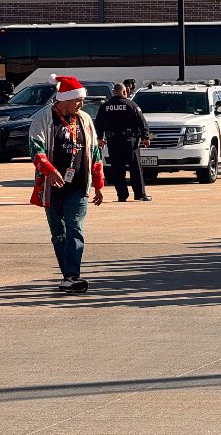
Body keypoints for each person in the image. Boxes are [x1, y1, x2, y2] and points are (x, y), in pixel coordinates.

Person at [28, 74, 105, 293]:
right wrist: (50, 171)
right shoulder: (42, 119)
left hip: (78, 187)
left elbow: (95, 153)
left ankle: (73, 274)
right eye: (78, 100)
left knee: (75, 228)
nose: (81, 104)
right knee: (58, 234)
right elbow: (36, 149)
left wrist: (98, 184)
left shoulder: (85, 120)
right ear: (64, 99)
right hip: (51, 188)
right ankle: (68, 277)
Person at [94, 82, 152, 202]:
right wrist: (145, 137)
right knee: (135, 168)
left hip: (113, 142)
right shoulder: (131, 105)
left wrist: (100, 138)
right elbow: (142, 122)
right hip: (129, 142)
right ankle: (140, 194)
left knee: (117, 169)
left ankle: (122, 195)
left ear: (113, 92)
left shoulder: (105, 106)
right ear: (125, 92)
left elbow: (98, 124)